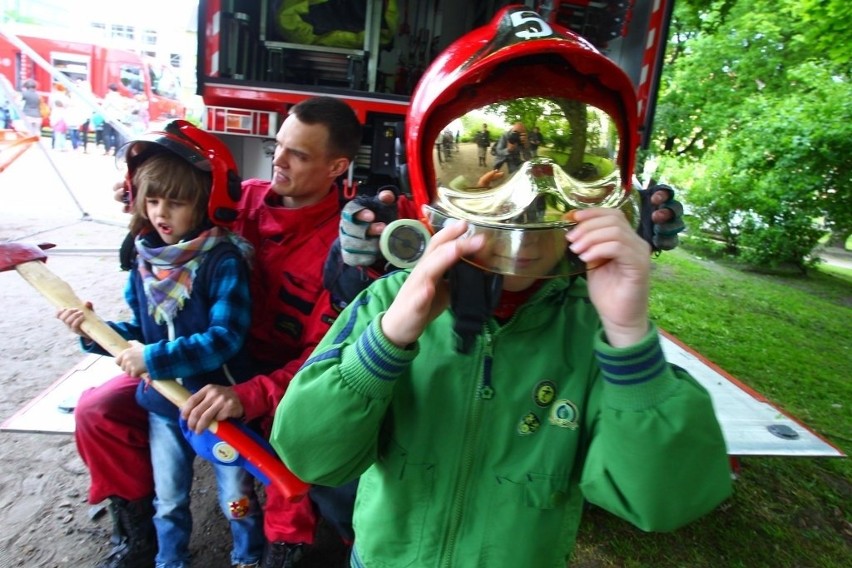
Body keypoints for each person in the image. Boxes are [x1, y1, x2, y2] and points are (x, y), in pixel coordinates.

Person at [271, 7, 730, 567]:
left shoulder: (593, 334)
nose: (529, 212)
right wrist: (387, 340)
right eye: (497, 178)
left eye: (566, 170)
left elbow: (662, 500)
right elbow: (308, 455)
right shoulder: (388, 307)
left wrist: (630, 335)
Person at [76, 96, 363, 568]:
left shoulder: (347, 252)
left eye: (299, 155)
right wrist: (143, 191)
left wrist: (248, 395)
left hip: (276, 386)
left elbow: (325, 362)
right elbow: (169, 206)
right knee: (98, 411)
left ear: (337, 166)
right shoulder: (235, 199)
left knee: (296, 441)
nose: (279, 160)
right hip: (193, 359)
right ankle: (138, 535)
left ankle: (281, 551)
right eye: (278, 146)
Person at [59, 121, 264, 568]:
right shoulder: (144, 259)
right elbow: (140, 330)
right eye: (152, 201)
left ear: (204, 204)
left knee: (236, 496)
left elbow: (224, 338)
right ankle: (169, 561)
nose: (161, 214)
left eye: (176, 202)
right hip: (162, 407)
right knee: (169, 499)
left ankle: (247, 558)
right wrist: (93, 331)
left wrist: (151, 357)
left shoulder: (223, 259)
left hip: (215, 405)